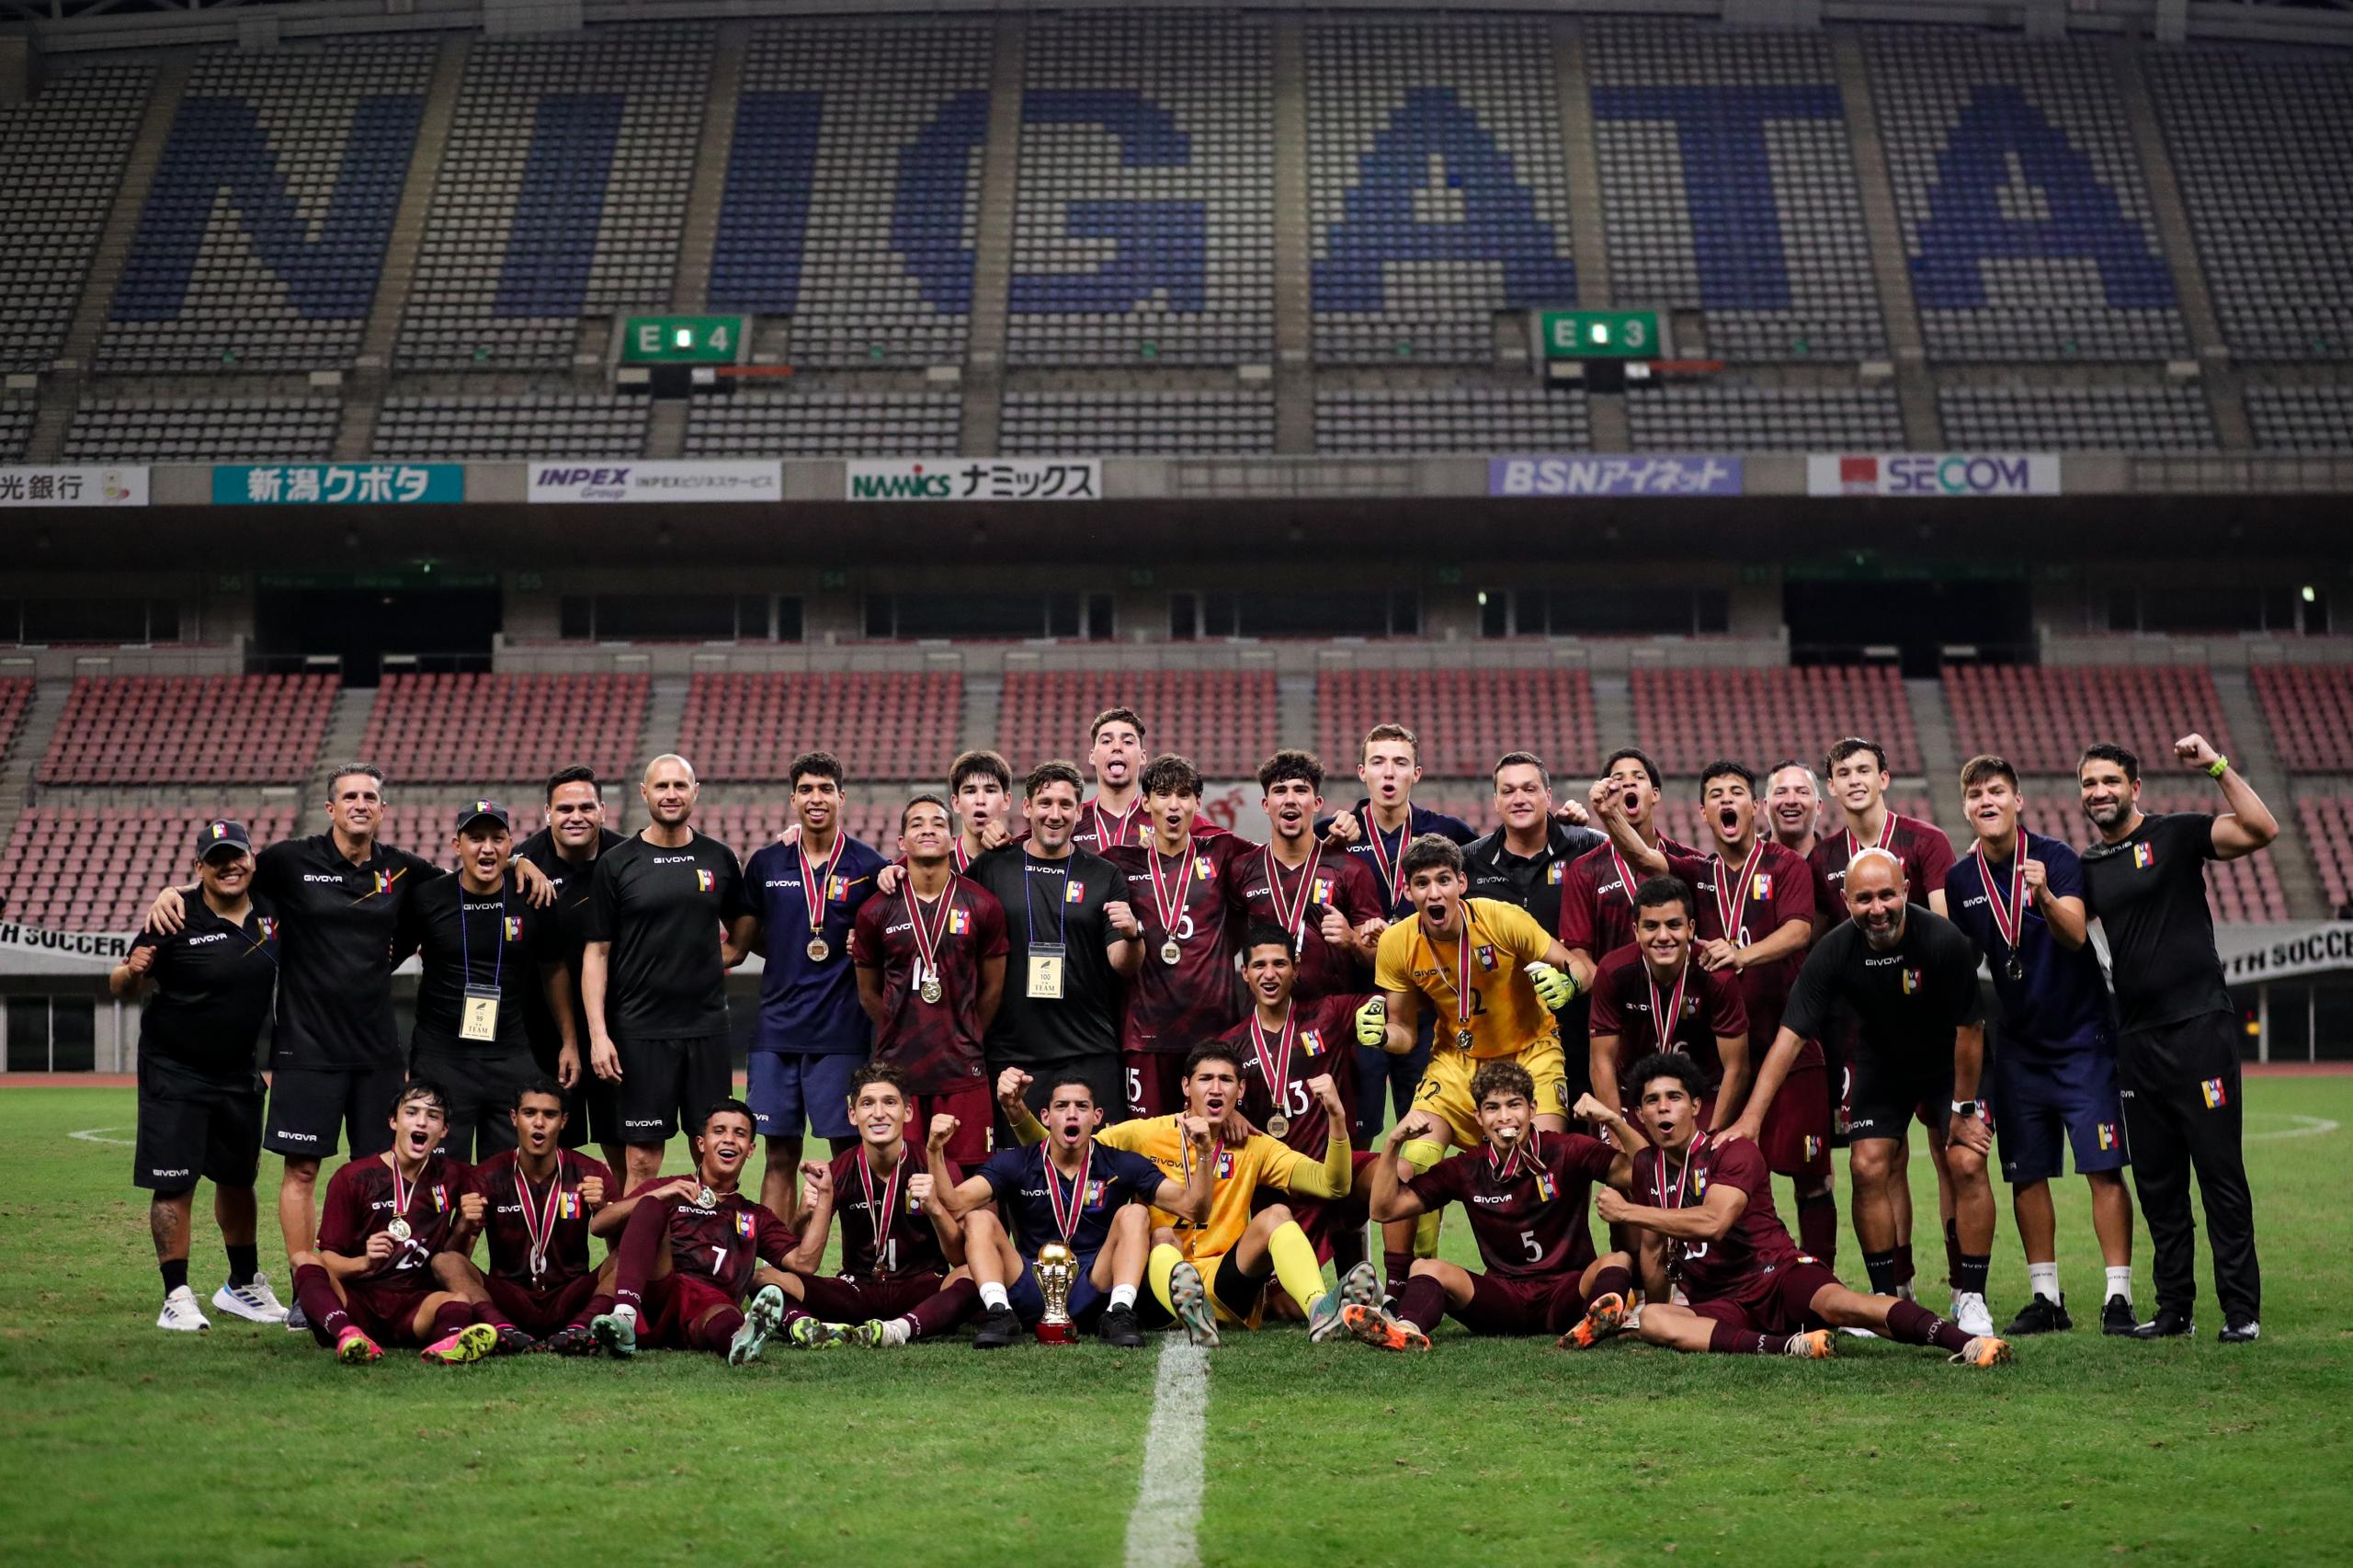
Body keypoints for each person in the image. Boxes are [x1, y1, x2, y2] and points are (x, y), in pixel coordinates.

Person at [142, 763, 548, 1328]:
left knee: (371, 1174)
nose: (361, 804)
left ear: (383, 809)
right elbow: (226, 875)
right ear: (330, 808)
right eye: (350, 796)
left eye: (371, 797)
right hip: (306, 1046)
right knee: (302, 1172)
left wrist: (522, 858)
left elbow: (475, 869)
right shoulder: (289, 861)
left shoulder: (404, 871)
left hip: (378, 1050)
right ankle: (309, 1290)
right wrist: (176, 889)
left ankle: (370, 1282)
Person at [1733, 848, 2001, 1336]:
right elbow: (1789, 1039)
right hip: (1884, 1063)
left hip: (1952, 1063)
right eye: (1863, 899)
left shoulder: (1942, 941)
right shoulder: (1833, 951)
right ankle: (1883, 1300)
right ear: (1846, 901)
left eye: (1885, 896)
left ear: (1904, 892)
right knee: (1866, 1165)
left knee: (1965, 1160)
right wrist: (1751, 1120)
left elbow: (1971, 1030)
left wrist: (1962, 1109)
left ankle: (1972, 1298)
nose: (1876, 908)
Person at [1600, 1053, 2011, 1367]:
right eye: (1651, 1101)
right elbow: (1654, 1249)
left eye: (1674, 1097)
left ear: (1694, 1106)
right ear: (1639, 1115)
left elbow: (1714, 1222)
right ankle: (1791, 1347)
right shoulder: (1645, 1168)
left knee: (1845, 1305)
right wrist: (1653, 1308)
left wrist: (1628, 1213)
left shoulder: (1732, 1151)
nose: (1663, 1108)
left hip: (1776, 1273)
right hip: (1721, 1299)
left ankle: (1965, 1342)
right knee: (1654, 1320)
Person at [1593, 761, 1834, 1263]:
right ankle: (1744, 1271)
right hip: (1722, 1055)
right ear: (1703, 812)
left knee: (1811, 1173)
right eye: (1717, 795)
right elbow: (1642, 857)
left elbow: (1799, 931)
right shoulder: (1698, 872)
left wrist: (1742, 954)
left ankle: (1819, 1275)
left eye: (1738, 792)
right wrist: (1610, 815)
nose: (1728, 801)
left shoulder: (1784, 864)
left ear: (1756, 807)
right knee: (1729, 1167)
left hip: (1787, 1041)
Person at [2078, 734, 2274, 1344]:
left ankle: (2241, 1310)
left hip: (2200, 1030)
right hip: (2136, 1040)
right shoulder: (2088, 868)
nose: (2099, 792)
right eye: (2089, 784)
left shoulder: (2178, 834)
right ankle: (2174, 1312)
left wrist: (2217, 763)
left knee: (2219, 1174)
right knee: (2159, 1184)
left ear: (2135, 787)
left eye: (2110, 781)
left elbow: (2261, 829)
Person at [1943, 756, 2136, 1337]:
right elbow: (1965, 966)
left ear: (2018, 800)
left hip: (2083, 1039)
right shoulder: (1960, 881)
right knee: (2027, 1174)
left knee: (2103, 1168)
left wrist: (2045, 896)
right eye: (1976, 795)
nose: (1987, 802)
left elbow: (2076, 933)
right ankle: (2046, 1297)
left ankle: (2118, 1296)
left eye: (1997, 791)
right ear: (1967, 808)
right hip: (2021, 1047)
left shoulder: (2056, 858)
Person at [1363, 834, 1580, 1294]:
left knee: (1548, 1158)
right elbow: (1403, 1033)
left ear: (1462, 882)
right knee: (1412, 1161)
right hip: (1458, 1062)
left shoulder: (1503, 919)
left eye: (1444, 880)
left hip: (1530, 1052)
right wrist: (1383, 1035)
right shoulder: (1398, 943)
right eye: (1422, 884)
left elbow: (1577, 967)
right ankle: (1401, 1290)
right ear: (1408, 892)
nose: (1435, 893)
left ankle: (1562, 1279)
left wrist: (1569, 985)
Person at [1067, 1042, 1377, 1346]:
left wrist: (1336, 1118)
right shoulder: (1146, 1134)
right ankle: (1191, 1309)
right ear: (1186, 1087)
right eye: (1206, 1079)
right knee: (1161, 1235)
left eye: (1226, 1080)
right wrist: (1019, 1116)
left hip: (1224, 1286)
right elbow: (1068, 1150)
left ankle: (1319, 1309)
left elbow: (1332, 1185)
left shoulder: (1255, 1146)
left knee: (1277, 1216)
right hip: (1157, 1294)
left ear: (1240, 1090)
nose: (1216, 1089)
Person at [112, 818, 287, 1331]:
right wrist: (131, 971)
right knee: (175, 1182)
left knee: (238, 1179)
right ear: (200, 868)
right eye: (216, 859)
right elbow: (121, 985)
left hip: (238, 1070)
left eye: (237, 856)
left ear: (251, 860)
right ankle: (176, 1294)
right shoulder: (173, 916)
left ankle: (242, 1284)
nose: (229, 866)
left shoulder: (274, 913)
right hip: (174, 1069)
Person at [1807, 736, 1960, 1298]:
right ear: (1833, 786)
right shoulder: (1825, 859)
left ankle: (1965, 1288)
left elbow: (1945, 934)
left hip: (1931, 1026)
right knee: (1882, 1160)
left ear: (1884, 777)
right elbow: (1824, 948)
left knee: (1953, 1157)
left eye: (1863, 770)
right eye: (1843, 772)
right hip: (1864, 1035)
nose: (1854, 780)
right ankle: (1898, 1291)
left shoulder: (1926, 841)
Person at [1355, 1062, 1637, 1352]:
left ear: (1533, 1109)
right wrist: (1392, 1143)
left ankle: (1594, 1321)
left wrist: (1614, 1121)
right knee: (1425, 1267)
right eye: (1492, 1108)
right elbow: (1384, 1210)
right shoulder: (1465, 1168)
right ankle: (1406, 1331)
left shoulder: (1569, 1150)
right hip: (1504, 1300)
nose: (1505, 1117)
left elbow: (1643, 1171)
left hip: (1568, 1291)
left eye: (1514, 1105)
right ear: (1478, 1116)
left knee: (1618, 1260)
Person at [580, 754, 757, 1192]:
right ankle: (637, 1261)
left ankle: (709, 1256)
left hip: (707, 1028)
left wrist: (718, 958)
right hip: (640, 1030)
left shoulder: (719, 858)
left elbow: (742, 930)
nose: (671, 794)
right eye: (661, 787)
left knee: (715, 1151)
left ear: (695, 792)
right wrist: (599, 1035)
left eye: (680, 785)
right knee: (641, 1158)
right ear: (645, 794)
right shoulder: (617, 863)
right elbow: (596, 954)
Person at [935, 1073, 1206, 1348]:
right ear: (1046, 1116)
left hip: (1094, 1284)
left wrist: (1204, 1154)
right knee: (979, 1218)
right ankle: (1000, 1313)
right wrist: (935, 1151)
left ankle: (1120, 1312)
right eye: (1062, 1106)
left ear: (1097, 1117)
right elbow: (954, 1205)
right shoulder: (1016, 1162)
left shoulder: (1120, 1163)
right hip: (1031, 1282)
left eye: (1082, 1106)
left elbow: (1194, 1209)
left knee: (1135, 1214)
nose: (1072, 1114)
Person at [741, 751, 887, 1220]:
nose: (816, 798)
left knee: (848, 1156)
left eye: (825, 789)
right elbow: (756, 939)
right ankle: (774, 1268)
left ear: (842, 797)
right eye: (806, 790)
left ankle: (855, 1266)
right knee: (779, 1155)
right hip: (776, 1032)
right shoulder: (766, 863)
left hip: (841, 1033)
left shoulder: (870, 865)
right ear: (793, 799)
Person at [1319, 723, 1480, 1142]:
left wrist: (1568, 827)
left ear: (1417, 774)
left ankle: (1420, 1209)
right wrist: (1326, 848)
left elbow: (1505, 860)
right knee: (1359, 1132)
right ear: (1361, 772)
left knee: (1426, 1133)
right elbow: (1282, 863)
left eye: (1400, 763)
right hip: (1361, 1006)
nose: (1388, 773)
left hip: (1429, 1006)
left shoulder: (1450, 833)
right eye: (1378, 763)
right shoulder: (1331, 833)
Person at [591, 1098, 844, 1361]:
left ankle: (740, 1340)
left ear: (750, 1150)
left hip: (708, 1309)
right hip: (658, 1295)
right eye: (719, 1131)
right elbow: (599, 1224)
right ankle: (619, 1318)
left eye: (740, 1134)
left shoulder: (754, 1215)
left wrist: (825, 1195)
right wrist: (659, 1194)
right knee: (650, 1208)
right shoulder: (669, 1188)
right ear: (701, 1143)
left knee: (721, 1314)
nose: (729, 1140)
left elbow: (804, 1263)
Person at [962, 760, 1142, 1126]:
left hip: (1089, 1049)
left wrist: (1133, 935)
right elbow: (946, 911)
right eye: (1045, 803)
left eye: (1065, 805)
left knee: (1099, 1174)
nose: (1054, 814)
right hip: (1013, 1054)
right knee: (1017, 1174)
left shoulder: (1103, 874)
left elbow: (1122, 963)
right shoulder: (993, 867)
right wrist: (895, 873)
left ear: (1080, 811)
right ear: (1027, 808)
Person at [396, 801, 574, 1164]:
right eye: (476, 838)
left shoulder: (533, 896)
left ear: (511, 846)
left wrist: (569, 1041)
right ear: (455, 844)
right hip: (440, 1058)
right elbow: (389, 955)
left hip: (508, 1056)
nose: (487, 848)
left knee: (509, 1179)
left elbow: (554, 970)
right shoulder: (428, 897)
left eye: (497, 839)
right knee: (439, 1178)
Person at [286, 1081, 498, 1366]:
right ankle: (348, 1334)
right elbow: (328, 1260)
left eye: (433, 1116)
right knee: (304, 1260)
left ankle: (449, 1342)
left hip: (415, 1305)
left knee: (458, 1300)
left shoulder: (454, 1175)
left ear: (444, 1130)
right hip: (357, 1302)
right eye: (411, 1112)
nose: (421, 1121)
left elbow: (455, 1255)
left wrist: (464, 1224)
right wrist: (365, 1261)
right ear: (393, 1121)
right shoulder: (354, 1178)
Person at [1213, 923, 1385, 1275]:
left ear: (1296, 967)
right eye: (1259, 966)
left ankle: (1393, 1285)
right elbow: (1197, 1102)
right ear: (1244, 973)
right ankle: (1343, 1279)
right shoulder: (1230, 1047)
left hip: (1333, 1167)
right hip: (1279, 1187)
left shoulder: (1329, 1015)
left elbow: (1394, 998)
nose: (1269, 974)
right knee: (1289, 1306)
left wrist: (1385, 947)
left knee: (1395, 1173)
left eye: (1279, 964)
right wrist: (1224, 1115)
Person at [851, 794, 1007, 1165]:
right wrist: (899, 1029)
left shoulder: (982, 904)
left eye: (938, 823)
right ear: (901, 843)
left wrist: (965, 1031)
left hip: (962, 1067)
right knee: (904, 1179)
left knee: (970, 1179)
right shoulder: (875, 910)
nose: (928, 830)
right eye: (916, 824)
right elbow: (868, 993)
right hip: (898, 1071)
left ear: (952, 840)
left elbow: (993, 989)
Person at [780, 1063, 981, 1347]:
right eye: (867, 1104)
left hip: (921, 1287)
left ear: (907, 1112)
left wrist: (936, 1208)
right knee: (766, 1278)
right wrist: (802, 1217)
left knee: (976, 1273)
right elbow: (803, 1263)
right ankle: (804, 1328)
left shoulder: (937, 1167)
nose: (878, 1113)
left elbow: (960, 1258)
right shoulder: (837, 1171)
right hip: (857, 1289)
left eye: (889, 1102)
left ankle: (897, 1330)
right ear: (853, 1114)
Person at [1105, 754, 1254, 1119]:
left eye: (1184, 795)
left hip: (1214, 1033)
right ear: (1145, 803)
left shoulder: (1222, 851)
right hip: (1146, 1034)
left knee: (1212, 1145)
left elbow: (1282, 855)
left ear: (1197, 804)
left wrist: (1336, 830)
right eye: (1163, 794)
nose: (1174, 805)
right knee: (1147, 1151)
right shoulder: (1118, 863)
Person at [433, 1080, 616, 1354]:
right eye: (530, 1113)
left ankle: (579, 1329)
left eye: (550, 1114)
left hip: (571, 1294)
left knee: (631, 1256)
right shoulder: (485, 1176)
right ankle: (504, 1330)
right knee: (444, 1261)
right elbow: (457, 1259)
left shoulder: (592, 1173)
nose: (539, 1123)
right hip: (509, 1297)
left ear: (563, 1121)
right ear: (514, 1118)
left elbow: (618, 1251)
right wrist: (463, 1226)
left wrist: (603, 1210)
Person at [514, 767, 628, 1173]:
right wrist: (515, 861)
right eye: (564, 808)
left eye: (585, 807)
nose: (575, 816)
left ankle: (623, 1237)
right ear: (547, 813)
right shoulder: (524, 862)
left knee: (624, 1148)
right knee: (553, 1155)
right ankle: (549, 1235)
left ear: (603, 810)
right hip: (544, 1033)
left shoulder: (627, 858)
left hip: (617, 1027)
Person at [1222, 749, 1384, 1005]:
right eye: (1279, 790)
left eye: (1300, 790)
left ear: (1317, 803)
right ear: (1266, 805)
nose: (1290, 799)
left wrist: (1352, 940)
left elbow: (1379, 957)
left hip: (1332, 1026)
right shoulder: (1242, 870)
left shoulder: (1351, 869)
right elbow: (1226, 949)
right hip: (1265, 1026)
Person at [1584, 875, 1750, 1124]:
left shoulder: (1717, 976)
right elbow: (1601, 1060)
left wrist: (1710, 1140)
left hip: (1702, 1096)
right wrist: (1617, 1129)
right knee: (1619, 1161)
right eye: (1651, 926)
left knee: (1718, 1159)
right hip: (1634, 1096)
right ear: (1636, 931)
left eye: (1674, 925)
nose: (1663, 937)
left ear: (1691, 928)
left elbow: (1737, 1068)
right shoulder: (1613, 971)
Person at [1557, 748, 1695, 997]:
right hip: (1613, 1010)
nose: (1628, 781)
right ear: (1607, 793)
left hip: (1682, 1003)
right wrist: (1621, 998)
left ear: (1655, 795)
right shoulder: (1584, 869)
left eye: (1639, 777)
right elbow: (1578, 955)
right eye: (1618, 779)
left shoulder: (1689, 861)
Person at [1461, 751, 1605, 939]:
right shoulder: (1469, 860)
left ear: (1548, 796)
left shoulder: (1589, 845)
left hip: (1577, 968)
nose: (1519, 800)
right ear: (1496, 801)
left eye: (1529, 789)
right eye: (1508, 791)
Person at [949, 748, 1017, 870]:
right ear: (956, 803)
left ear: (1006, 801)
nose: (980, 800)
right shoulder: (939, 864)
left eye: (990, 791)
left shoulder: (1020, 865)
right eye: (970, 791)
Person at [1765, 760, 1824, 863]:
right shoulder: (1745, 858)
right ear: (1765, 806)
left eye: (1802, 792)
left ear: (1818, 806)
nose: (1791, 800)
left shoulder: (1839, 861)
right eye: (1780, 792)